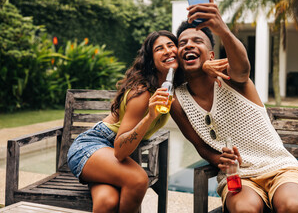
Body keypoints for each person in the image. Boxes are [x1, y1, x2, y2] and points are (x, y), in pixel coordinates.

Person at [170, 0, 298, 213]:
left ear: (211, 54)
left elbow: (243, 67)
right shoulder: (177, 99)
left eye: (197, 40)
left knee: (291, 205)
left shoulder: (230, 76)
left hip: (280, 168)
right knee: (245, 210)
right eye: (182, 43)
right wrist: (221, 160)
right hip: (239, 176)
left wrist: (221, 28)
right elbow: (201, 147)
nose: (188, 45)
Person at [66, 30, 226, 213]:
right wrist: (150, 116)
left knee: (106, 202)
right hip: (91, 147)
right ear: (152, 60)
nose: (167, 51)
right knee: (138, 179)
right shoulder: (143, 93)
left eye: (171, 45)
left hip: (108, 157)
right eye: (159, 48)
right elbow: (119, 151)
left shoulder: (171, 88)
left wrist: (206, 66)